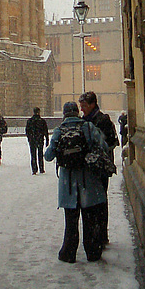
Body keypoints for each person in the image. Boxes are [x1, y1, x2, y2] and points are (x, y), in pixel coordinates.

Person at [44, 101, 109, 263]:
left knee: (71, 222)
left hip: (69, 186)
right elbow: (104, 146)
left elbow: (48, 156)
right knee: (89, 220)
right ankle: (93, 252)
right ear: (77, 113)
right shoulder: (88, 128)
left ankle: (68, 252)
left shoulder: (60, 131)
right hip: (89, 184)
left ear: (65, 114)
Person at [78, 91, 119, 247]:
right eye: (81, 106)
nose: (82, 109)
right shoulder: (83, 121)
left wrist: (98, 150)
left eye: (84, 106)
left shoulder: (102, 120)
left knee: (100, 201)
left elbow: (111, 142)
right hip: (88, 168)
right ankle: (95, 235)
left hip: (100, 167)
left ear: (93, 104)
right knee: (91, 202)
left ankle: (101, 235)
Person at [25, 107, 49, 175]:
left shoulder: (30, 121)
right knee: (40, 154)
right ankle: (41, 168)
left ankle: (34, 169)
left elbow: (27, 131)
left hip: (32, 140)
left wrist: (29, 138)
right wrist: (47, 139)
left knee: (33, 155)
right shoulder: (42, 121)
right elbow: (45, 131)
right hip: (40, 140)